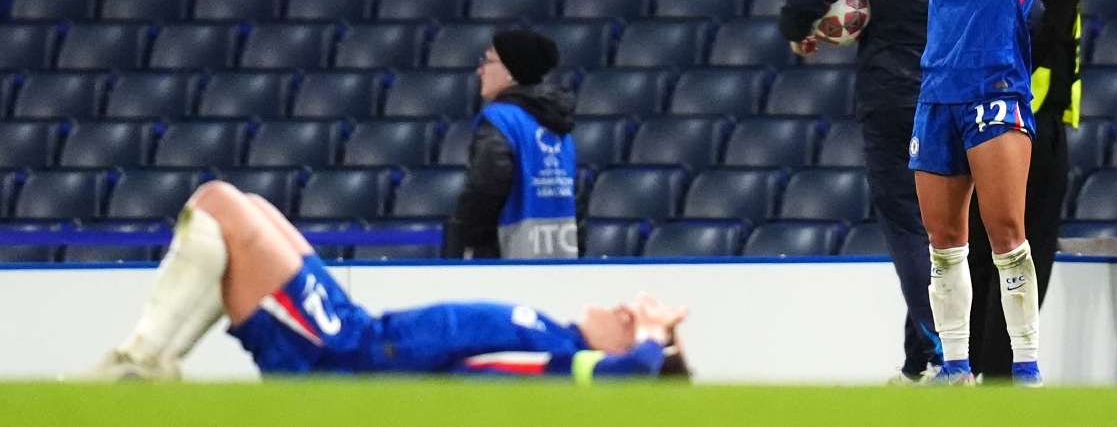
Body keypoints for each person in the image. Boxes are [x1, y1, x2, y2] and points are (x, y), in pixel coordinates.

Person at [89, 181, 689, 381]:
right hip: (356, 335)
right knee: (251, 207)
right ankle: (148, 367)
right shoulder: (556, 343)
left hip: (346, 357)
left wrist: (658, 339)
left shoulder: (568, 365)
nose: (623, 308)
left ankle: (138, 363)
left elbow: (634, 375)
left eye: (630, 321)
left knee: (219, 204)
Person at [852, 0, 1051, 385]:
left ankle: (1027, 366)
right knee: (944, 243)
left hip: (996, 95)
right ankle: (956, 367)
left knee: (1007, 235)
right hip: (936, 98)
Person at [778, 0, 962, 382]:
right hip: (966, 96)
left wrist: (796, 26)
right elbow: (1029, 10)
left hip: (897, 93)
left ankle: (952, 358)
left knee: (911, 228)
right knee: (948, 232)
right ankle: (922, 366)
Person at [967, 0, 1088, 380]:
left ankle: (965, 370)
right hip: (1030, 111)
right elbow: (1053, 28)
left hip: (968, 108)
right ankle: (998, 377)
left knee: (972, 246)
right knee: (1024, 246)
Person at [450, 29, 579, 259]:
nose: (480, 70)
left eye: (488, 61)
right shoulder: (560, 125)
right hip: (561, 259)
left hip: (507, 261)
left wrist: (466, 241)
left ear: (511, 70)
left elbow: (486, 188)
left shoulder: (501, 119)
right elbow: (576, 197)